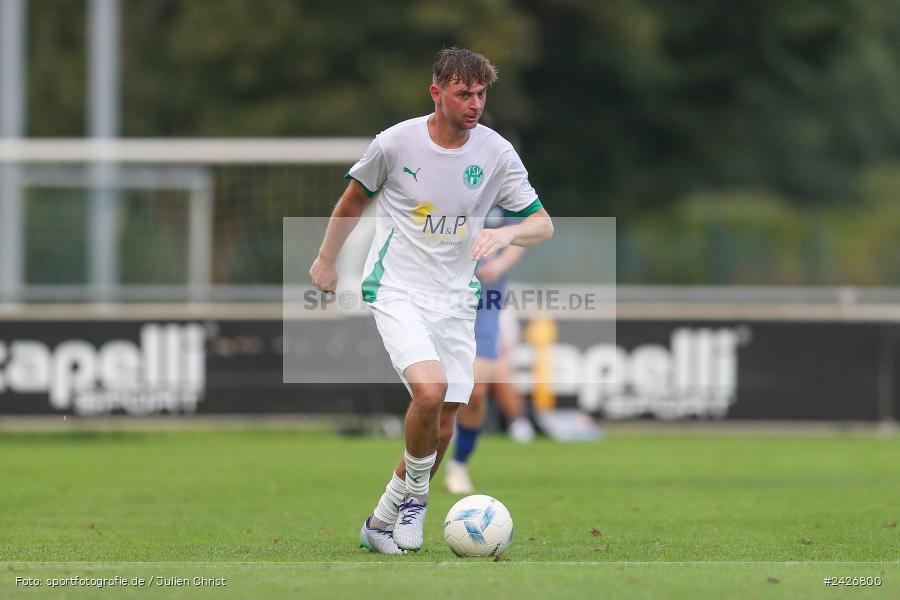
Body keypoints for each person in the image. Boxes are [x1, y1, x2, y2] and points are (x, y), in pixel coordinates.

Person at [309, 47, 553, 554]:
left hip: (457, 298)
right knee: (429, 391)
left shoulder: (496, 152)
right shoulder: (395, 143)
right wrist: (326, 260)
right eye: (463, 93)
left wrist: (505, 238)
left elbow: (541, 223)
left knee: (444, 424)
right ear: (436, 93)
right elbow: (354, 199)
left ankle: (379, 522)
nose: (474, 103)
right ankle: (417, 503)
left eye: (481, 94)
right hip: (396, 288)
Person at [444, 211, 536, 495]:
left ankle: (458, 465)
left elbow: (527, 231)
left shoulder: (504, 181)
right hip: (440, 299)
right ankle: (417, 471)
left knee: (476, 391)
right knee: (434, 391)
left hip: (486, 302)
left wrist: (500, 264)